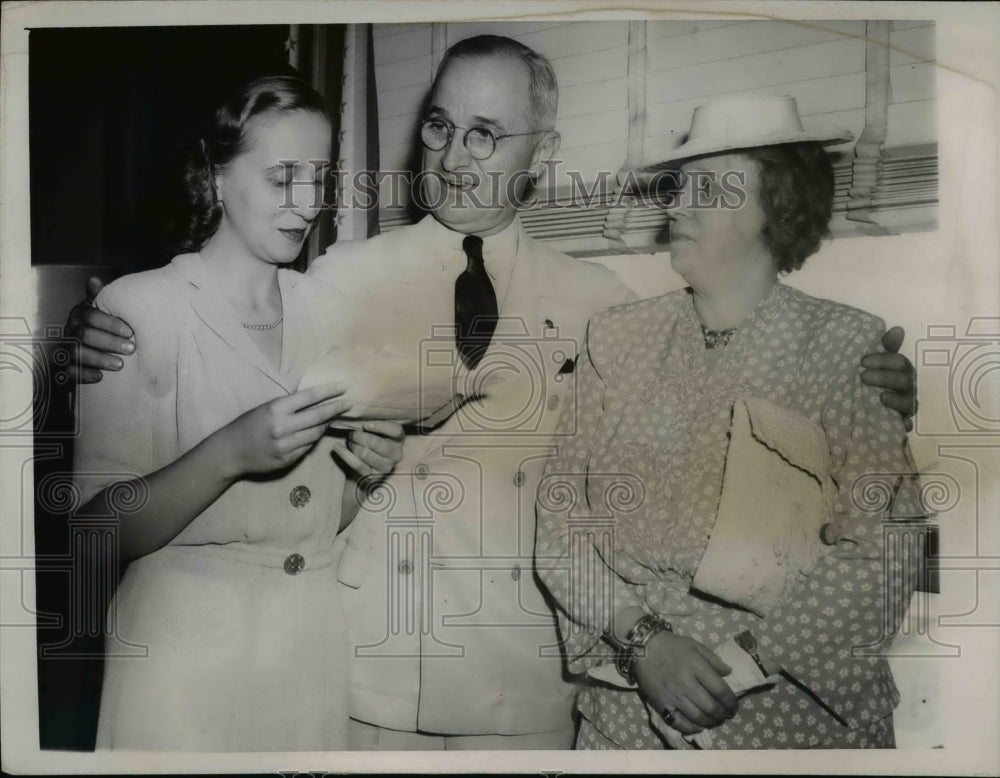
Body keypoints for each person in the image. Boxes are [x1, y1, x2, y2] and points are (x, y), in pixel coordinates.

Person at [65, 38, 916, 750]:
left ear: (539, 155)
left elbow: (718, 429)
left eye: (485, 133)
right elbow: (217, 351)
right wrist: (83, 342)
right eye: (439, 126)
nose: (452, 155)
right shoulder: (331, 278)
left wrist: (870, 386)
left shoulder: (606, 306)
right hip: (361, 673)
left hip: (526, 684)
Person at [535, 94, 922, 750]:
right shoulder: (616, 338)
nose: (677, 205)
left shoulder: (845, 345)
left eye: (707, 188)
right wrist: (646, 646)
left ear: (777, 204)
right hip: (629, 712)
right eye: (677, 187)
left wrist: (736, 668)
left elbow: (885, 556)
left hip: (791, 718)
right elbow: (560, 524)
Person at [72, 75, 404, 751]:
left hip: (307, 658)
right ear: (216, 178)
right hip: (179, 668)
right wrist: (229, 455)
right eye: (283, 177)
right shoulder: (137, 311)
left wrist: (369, 470)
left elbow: (309, 524)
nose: (307, 203)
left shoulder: (333, 312)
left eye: (318, 177)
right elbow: (91, 536)